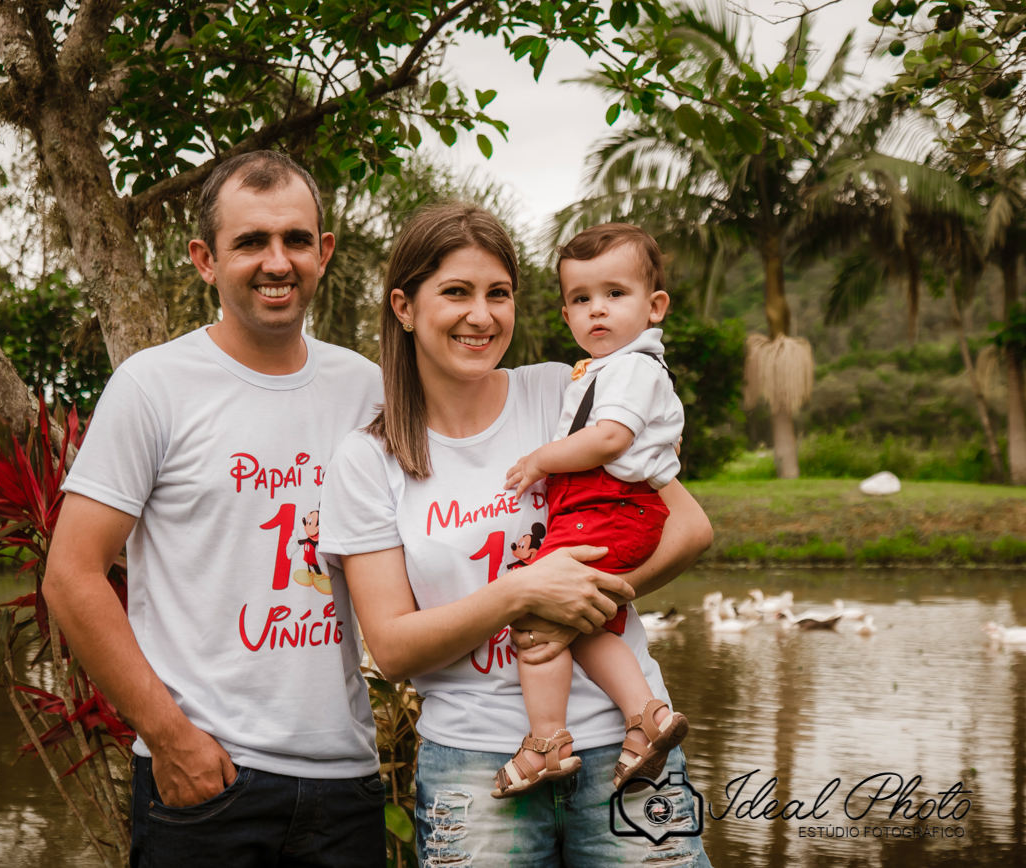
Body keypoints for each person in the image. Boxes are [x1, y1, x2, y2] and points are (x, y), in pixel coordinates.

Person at [317, 202, 714, 867]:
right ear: (404, 306)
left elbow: (688, 528)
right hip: (477, 769)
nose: (482, 315)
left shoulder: (563, 393)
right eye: (456, 292)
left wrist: (584, 601)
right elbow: (390, 648)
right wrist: (521, 595)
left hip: (625, 743)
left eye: (498, 293)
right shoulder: (366, 460)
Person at [44, 151, 391, 867]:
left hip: (345, 783)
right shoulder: (153, 387)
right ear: (205, 259)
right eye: (251, 242)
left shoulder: (366, 389)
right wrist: (171, 740)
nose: (277, 261)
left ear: (324, 252)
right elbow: (71, 576)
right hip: (206, 783)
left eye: (296, 240)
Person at [498, 223, 690, 799]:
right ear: (565, 314)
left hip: (606, 507)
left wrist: (540, 459)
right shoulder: (608, 368)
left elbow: (608, 439)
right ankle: (647, 718)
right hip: (608, 508)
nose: (597, 311)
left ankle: (546, 743)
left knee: (536, 621)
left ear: (655, 307)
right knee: (585, 625)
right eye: (582, 299)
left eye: (615, 294)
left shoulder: (632, 367)